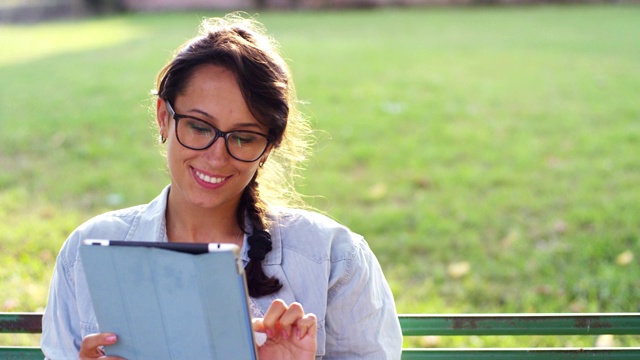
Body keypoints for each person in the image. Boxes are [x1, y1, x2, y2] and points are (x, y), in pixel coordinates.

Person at [41, 13, 402, 360]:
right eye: (199, 127)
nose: (216, 157)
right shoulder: (85, 254)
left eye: (243, 137)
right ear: (164, 118)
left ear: (268, 148)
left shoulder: (334, 259)